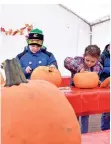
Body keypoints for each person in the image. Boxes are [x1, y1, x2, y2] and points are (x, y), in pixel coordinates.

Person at [64, 45, 103, 134]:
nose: (89, 63)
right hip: (75, 93)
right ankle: (75, 133)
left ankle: (84, 135)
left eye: (92, 61)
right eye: (87, 60)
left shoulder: (98, 67)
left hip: (87, 95)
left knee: (85, 115)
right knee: (74, 114)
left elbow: (94, 79)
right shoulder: (78, 60)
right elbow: (67, 60)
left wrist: (98, 82)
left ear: (97, 59)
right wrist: (79, 68)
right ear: (84, 56)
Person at [100, 44, 110, 131]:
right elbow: (99, 68)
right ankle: (105, 130)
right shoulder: (102, 56)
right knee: (106, 110)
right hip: (106, 85)